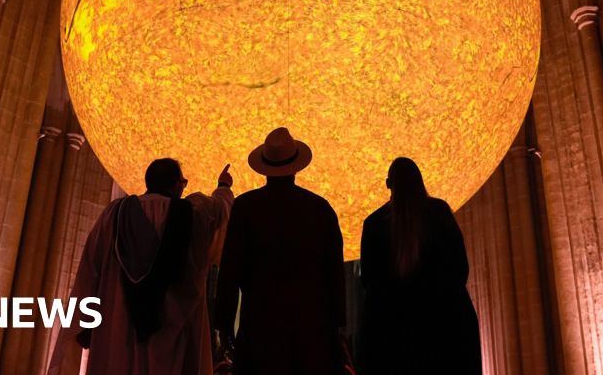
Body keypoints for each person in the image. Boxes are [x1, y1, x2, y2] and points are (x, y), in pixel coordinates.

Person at [47, 159, 234, 375]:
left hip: (119, 331)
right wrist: (223, 187)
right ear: (176, 185)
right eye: (183, 182)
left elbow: (90, 271)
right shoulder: (193, 214)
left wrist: (84, 321)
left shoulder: (115, 215)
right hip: (175, 343)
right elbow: (221, 212)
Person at [215, 127, 346, 375]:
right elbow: (334, 271)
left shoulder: (245, 207)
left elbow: (230, 268)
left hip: (259, 321)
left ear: (265, 167)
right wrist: (338, 321)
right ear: (296, 167)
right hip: (311, 325)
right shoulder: (320, 209)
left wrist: (223, 322)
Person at [358, 157, 482, 375]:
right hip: (445, 329)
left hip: (396, 336)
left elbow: (370, 282)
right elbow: (459, 268)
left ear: (389, 184)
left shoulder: (374, 224)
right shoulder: (439, 212)